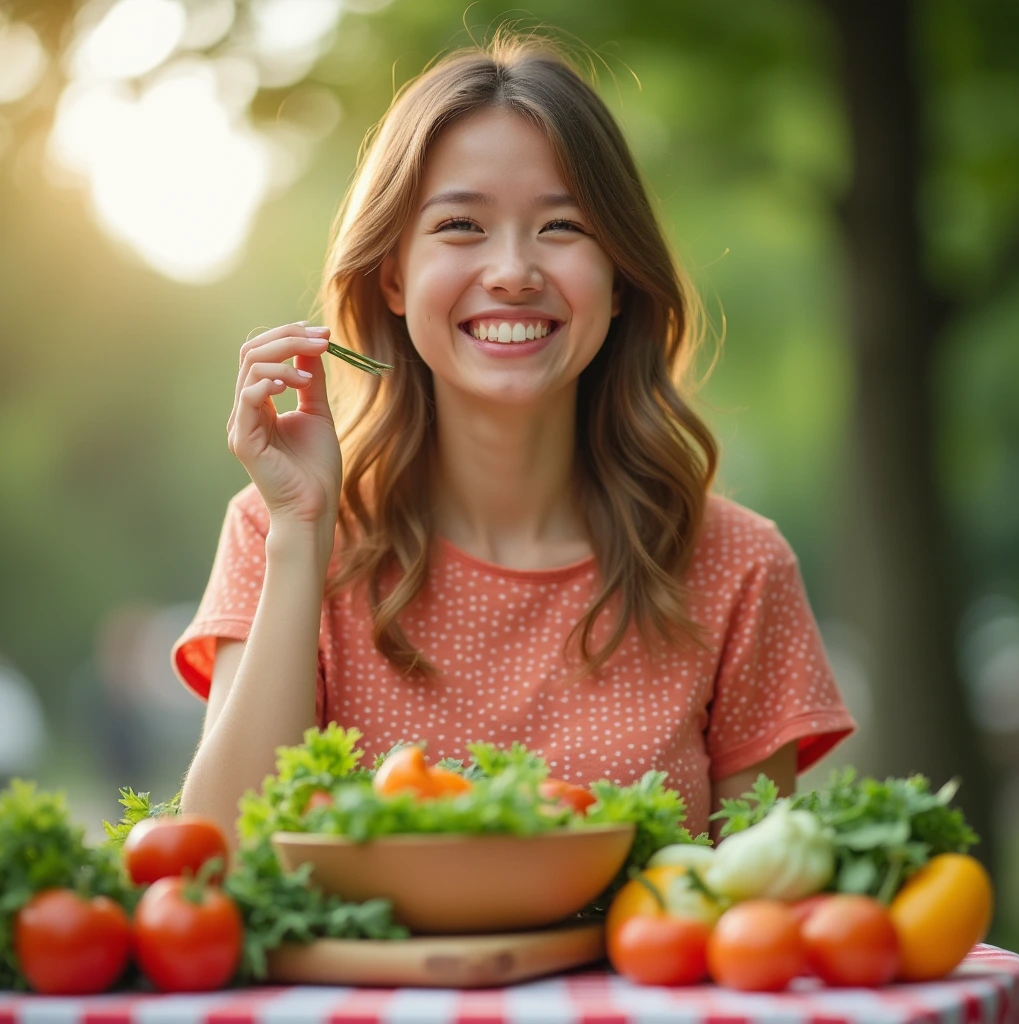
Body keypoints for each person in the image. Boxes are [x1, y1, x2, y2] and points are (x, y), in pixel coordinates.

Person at [172, 32, 856, 848]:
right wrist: (302, 531)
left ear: (618, 277)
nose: (513, 271)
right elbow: (216, 856)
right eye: (462, 224)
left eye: (561, 226)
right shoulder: (276, 529)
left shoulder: (737, 567)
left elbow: (758, 906)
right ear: (393, 275)